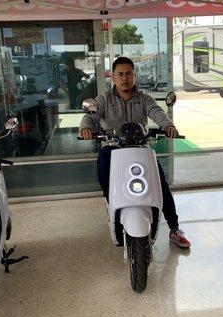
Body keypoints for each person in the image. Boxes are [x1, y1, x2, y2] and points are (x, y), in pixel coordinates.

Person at [79, 57, 191, 248]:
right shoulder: (104, 99)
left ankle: (174, 228)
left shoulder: (144, 98)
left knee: (161, 185)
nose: (125, 78)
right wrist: (85, 128)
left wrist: (168, 125)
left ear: (134, 76)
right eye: (120, 74)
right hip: (112, 148)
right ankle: (113, 208)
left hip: (141, 148)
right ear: (113, 77)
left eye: (129, 74)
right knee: (104, 171)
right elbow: (90, 117)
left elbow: (157, 112)